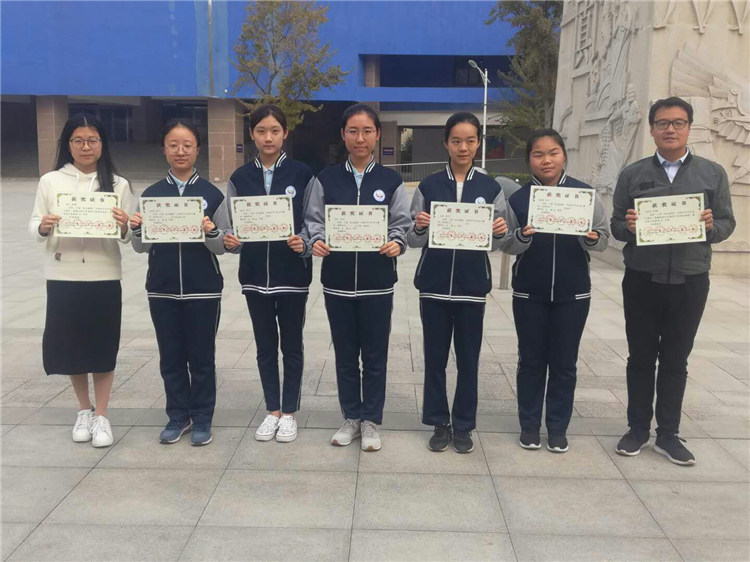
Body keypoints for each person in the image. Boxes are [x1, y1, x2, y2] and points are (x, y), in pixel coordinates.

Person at [611, 97, 735, 465]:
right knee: (640, 357)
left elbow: (727, 222)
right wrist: (628, 227)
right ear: (651, 129)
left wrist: (711, 227)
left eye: (678, 123)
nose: (670, 129)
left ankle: (668, 433)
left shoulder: (712, 174)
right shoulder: (633, 174)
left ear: (689, 128)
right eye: (663, 123)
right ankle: (637, 429)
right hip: (642, 279)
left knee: (676, 359)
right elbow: (616, 225)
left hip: (690, 280)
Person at [304, 103, 410, 452]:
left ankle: (371, 420)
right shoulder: (326, 178)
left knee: (375, 355)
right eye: (353, 131)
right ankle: (351, 416)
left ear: (377, 135)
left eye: (366, 131)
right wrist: (317, 240)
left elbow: (401, 223)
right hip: (337, 282)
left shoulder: (391, 181)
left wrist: (397, 242)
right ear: (343, 135)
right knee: (346, 354)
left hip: (378, 282)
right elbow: (314, 220)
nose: (360, 138)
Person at [407, 112, 510, 454]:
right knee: (435, 359)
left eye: (469, 140)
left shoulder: (490, 188)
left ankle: (463, 425)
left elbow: (500, 239)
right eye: (456, 141)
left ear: (478, 143)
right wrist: (419, 226)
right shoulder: (429, 186)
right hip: (434, 285)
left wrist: (499, 232)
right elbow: (412, 238)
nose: (463, 147)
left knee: (468, 360)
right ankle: (439, 422)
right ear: (446, 143)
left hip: (472, 286)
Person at [29, 113, 133, 448]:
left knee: (102, 345)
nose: (86, 147)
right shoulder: (51, 181)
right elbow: (35, 224)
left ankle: (102, 414)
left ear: (103, 144)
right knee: (72, 346)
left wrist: (124, 224)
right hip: (63, 274)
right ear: (68, 144)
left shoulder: (118, 184)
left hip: (104, 274)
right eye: (78, 141)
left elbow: (127, 236)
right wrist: (43, 226)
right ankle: (83, 409)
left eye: (92, 140)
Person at [503, 128, 610, 453]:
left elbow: (603, 239)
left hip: (573, 294)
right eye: (538, 154)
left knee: (564, 363)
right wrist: (522, 236)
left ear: (564, 156)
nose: (546, 160)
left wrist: (591, 239)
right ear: (529, 160)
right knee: (531, 361)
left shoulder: (584, 195)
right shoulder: (518, 199)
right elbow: (505, 243)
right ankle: (529, 426)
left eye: (553, 153)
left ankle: (558, 428)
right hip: (528, 294)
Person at [217, 104, 314, 443]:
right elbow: (227, 225)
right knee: (264, 347)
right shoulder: (240, 178)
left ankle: (289, 412)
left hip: (293, 275)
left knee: (292, 346)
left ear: (285, 133)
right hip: (255, 276)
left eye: (274, 130)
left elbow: (314, 220)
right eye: (261, 131)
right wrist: (230, 240)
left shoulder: (302, 174)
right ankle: (272, 409)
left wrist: (304, 242)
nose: (268, 137)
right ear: (252, 135)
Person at [130, 119, 226, 447]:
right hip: (162, 287)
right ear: (164, 149)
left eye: (187, 145)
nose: (180, 151)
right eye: (173, 145)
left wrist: (212, 232)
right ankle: (177, 416)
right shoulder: (152, 195)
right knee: (170, 357)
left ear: (198, 149)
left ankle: (202, 417)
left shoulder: (213, 194)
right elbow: (140, 246)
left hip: (204, 288)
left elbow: (223, 246)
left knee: (202, 357)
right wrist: (137, 228)